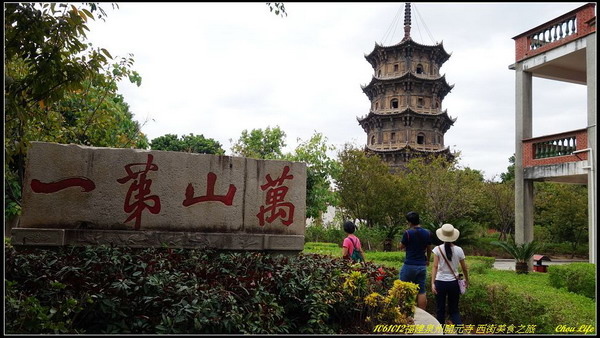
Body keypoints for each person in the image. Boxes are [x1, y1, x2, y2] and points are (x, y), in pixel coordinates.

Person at [431, 223, 469, 326]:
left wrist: (432, 283)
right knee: (454, 310)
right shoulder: (459, 250)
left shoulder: (437, 249)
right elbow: (464, 268)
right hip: (453, 283)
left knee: (440, 310)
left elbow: (434, 267)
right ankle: (460, 331)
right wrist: (467, 281)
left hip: (440, 282)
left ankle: (440, 332)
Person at [399, 211, 432, 310]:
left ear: (409, 222)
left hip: (409, 264)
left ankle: (403, 312)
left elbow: (401, 246)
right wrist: (428, 260)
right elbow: (429, 248)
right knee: (421, 290)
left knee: (402, 288)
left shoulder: (408, 233)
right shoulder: (427, 233)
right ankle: (422, 314)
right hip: (422, 265)